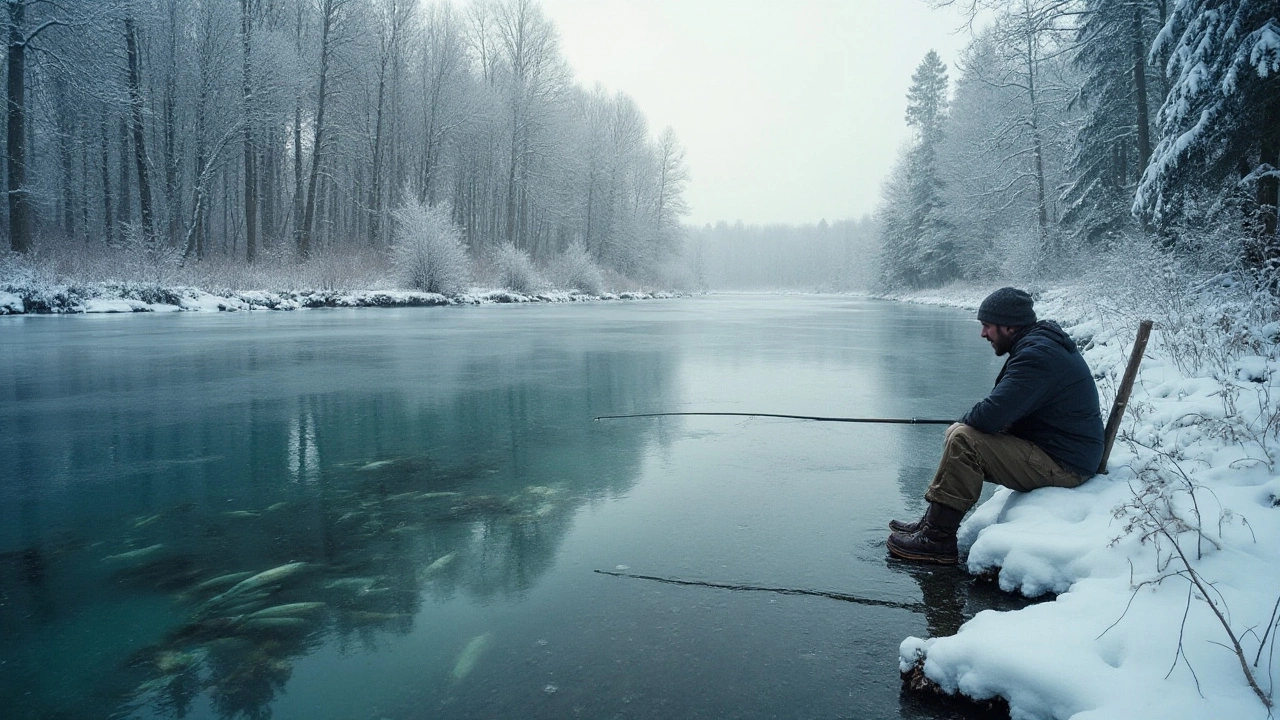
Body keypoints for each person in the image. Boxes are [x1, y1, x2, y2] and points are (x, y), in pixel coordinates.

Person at [887, 287, 1105, 564]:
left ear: (1009, 327)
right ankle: (931, 524)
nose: (983, 334)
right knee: (960, 432)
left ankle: (937, 541)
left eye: (987, 326)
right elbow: (1004, 410)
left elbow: (991, 415)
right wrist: (964, 423)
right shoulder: (1037, 346)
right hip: (1060, 449)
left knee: (965, 440)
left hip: (1066, 465)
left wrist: (966, 421)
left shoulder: (1038, 356)